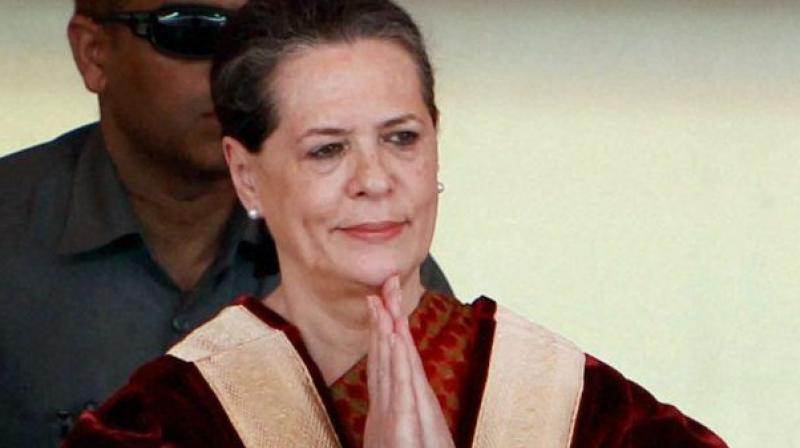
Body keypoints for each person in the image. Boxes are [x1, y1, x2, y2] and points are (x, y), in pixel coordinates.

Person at [62, 0, 727, 446]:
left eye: (401, 138)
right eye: (327, 149)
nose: (374, 179)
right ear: (247, 174)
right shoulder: (167, 421)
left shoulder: (578, 408)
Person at [0, 0, 450, 445]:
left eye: (402, 137)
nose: (241, 65)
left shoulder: (381, 265)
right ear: (94, 51)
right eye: (194, 30)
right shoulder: (12, 232)